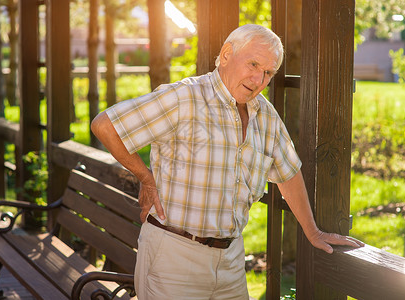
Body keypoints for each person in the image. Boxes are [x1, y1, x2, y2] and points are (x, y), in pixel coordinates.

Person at [91, 24, 363, 300]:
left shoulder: (265, 114)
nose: (259, 79)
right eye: (253, 64)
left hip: (231, 260)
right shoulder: (184, 98)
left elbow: (288, 173)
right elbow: (105, 126)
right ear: (226, 54)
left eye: (268, 73)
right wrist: (146, 177)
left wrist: (313, 232)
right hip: (174, 255)